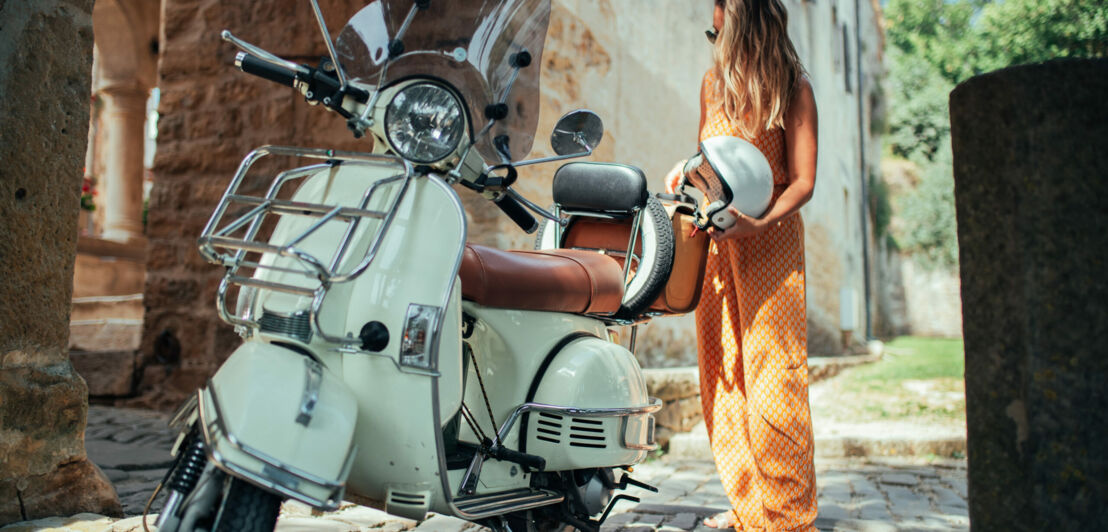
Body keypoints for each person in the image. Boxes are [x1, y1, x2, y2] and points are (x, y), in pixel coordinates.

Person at [664, 0, 819, 529]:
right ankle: (748, 506)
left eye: (719, 14)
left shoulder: (793, 88)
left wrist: (759, 224)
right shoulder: (712, 84)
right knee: (722, 374)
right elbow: (711, 160)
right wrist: (683, 171)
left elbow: (802, 181)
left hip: (770, 241)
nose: (713, 24)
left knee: (776, 378)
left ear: (744, 17)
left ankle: (789, 517)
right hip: (717, 243)